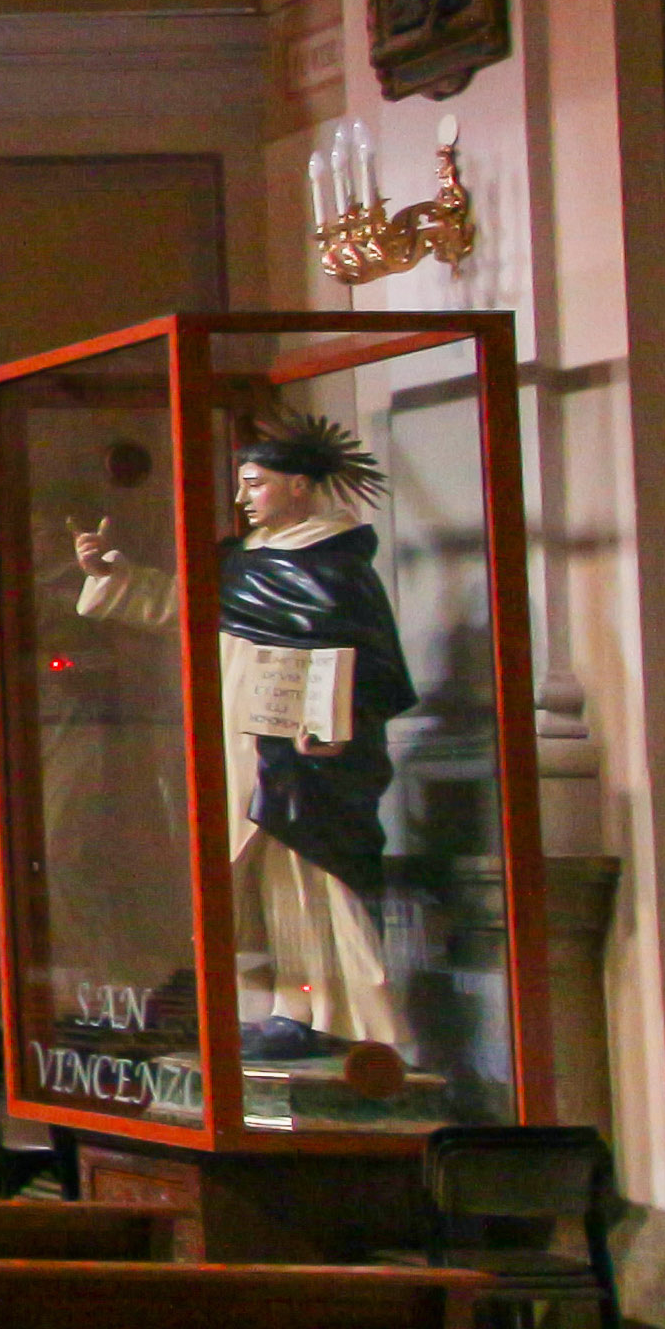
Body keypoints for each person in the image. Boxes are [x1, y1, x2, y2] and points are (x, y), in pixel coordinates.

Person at [73, 408, 416, 1050]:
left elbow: (372, 666)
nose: (241, 498)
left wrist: (333, 727)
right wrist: (108, 575)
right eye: (240, 484)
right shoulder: (241, 561)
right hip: (235, 743)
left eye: (254, 484)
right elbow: (178, 603)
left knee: (308, 877)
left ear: (299, 487)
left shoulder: (337, 566)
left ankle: (335, 1018)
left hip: (307, 753)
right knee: (246, 879)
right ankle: (272, 1005)